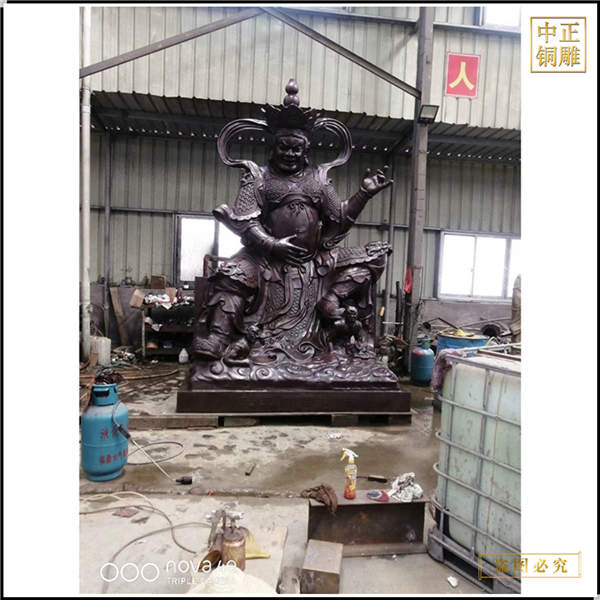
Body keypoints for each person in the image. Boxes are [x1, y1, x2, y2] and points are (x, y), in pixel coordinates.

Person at [193, 81, 393, 363]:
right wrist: (272, 245)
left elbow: (338, 221)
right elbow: (247, 221)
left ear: (305, 151)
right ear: (272, 148)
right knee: (230, 274)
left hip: (316, 260)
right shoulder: (257, 177)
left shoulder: (319, 179)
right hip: (265, 258)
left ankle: (331, 300)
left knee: (376, 255)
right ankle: (218, 336)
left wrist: (364, 194)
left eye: (296, 149)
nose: (289, 154)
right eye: (283, 148)